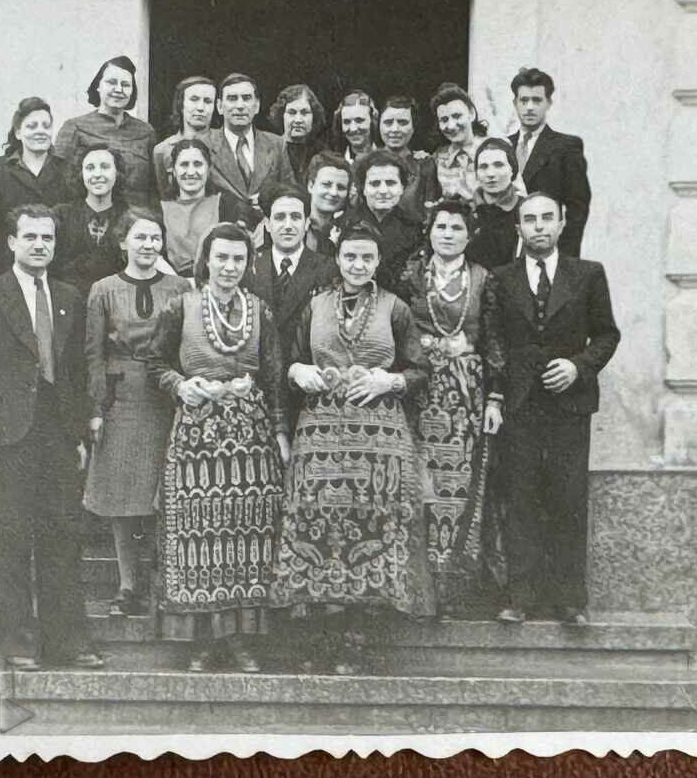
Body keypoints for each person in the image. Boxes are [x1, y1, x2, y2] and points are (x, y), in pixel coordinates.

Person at [270, 224, 436, 674]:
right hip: (319, 434)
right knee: (318, 522)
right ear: (337, 260)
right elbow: (290, 359)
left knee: (371, 523)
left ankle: (357, 637)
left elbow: (420, 368)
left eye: (366, 258)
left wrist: (392, 379)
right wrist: (298, 371)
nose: (358, 266)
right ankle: (321, 633)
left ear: (377, 262)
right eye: (350, 258)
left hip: (377, 436)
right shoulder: (314, 305)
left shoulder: (396, 308)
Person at [0, 204, 103, 671]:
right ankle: (18, 642)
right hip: (8, 436)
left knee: (62, 536)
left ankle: (67, 642)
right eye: (31, 237)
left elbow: (74, 371)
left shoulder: (68, 297)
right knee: (11, 538)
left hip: (57, 435)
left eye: (48, 238)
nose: (40, 245)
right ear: (12, 243)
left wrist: (78, 433)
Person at [141, 223, 290, 673]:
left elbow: (275, 374)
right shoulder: (181, 305)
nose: (229, 267)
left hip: (250, 438)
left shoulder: (259, 310)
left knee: (249, 538)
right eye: (221, 258)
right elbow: (153, 362)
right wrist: (179, 384)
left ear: (249, 264)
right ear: (206, 260)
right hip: (197, 436)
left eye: (239, 259)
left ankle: (242, 641)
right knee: (196, 536)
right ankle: (201, 642)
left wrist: (281, 433)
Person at [483, 192, 620, 626]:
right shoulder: (501, 279)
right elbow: (494, 342)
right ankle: (519, 595)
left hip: (569, 402)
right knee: (519, 494)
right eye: (529, 220)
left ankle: (569, 598)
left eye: (547, 218)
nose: (538, 226)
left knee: (568, 496)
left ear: (562, 223)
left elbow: (607, 335)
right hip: (521, 402)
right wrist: (498, 396)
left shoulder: (588, 275)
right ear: (518, 229)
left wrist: (578, 367)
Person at [396, 200, 504, 614]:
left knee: (460, 491)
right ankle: (421, 591)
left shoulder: (483, 279)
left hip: (466, 396)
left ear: (469, 235)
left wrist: (494, 395)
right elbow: (400, 327)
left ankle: (457, 590)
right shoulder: (411, 274)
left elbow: (495, 340)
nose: (447, 234)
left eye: (456, 228)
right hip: (422, 394)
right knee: (422, 486)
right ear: (429, 231)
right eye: (440, 226)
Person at [84, 214, 191, 616]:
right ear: (123, 243)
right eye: (140, 237)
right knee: (122, 494)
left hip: (166, 397)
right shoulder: (104, 290)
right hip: (122, 399)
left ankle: (164, 581)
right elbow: (93, 354)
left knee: (164, 493)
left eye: (155, 237)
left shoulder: (180, 288)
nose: (148, 244)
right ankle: (129, 585)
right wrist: (94, 409)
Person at [0, 97, 73, 280]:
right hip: (7, 272)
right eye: (32, 126)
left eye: (46, 126)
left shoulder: (67, 169)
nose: (40, 131)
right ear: (18, 132)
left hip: (55, 274)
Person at [245, 182, 337, 360]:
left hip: (307, 369)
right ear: (267, 224)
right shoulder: (250, 267)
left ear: (306, 223)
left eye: (295, 217)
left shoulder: (328, 269)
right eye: (280, 217)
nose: (288, 225)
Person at [54, 55, 158, 212]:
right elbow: (59, 182)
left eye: (125, 85)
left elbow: (153, 187)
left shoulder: (146, 132)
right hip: (90, 219)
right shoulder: (74, 127)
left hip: (136, 220)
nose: (118, 89)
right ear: (98, 86)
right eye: (111, 82)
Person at [508, 67, 591, 257]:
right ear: (515, 103)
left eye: (537, 100)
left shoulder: (566, 147)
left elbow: (577, 209)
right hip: (505, 255)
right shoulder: (503, 146)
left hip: (544, 250)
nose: (529, 107)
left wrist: (564, 260)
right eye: (524, 100)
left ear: (548, 103)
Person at [203, 73, 295, 229]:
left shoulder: (276, 144)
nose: (240, 105)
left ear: (257, 105)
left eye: (246, 98)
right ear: (219, 106)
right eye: (232, 99)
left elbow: (290, 192)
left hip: (266, 236)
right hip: (221, 236)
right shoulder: (203, 145)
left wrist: (268, 203)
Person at [159, 138, 247, 277]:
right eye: (184, 165)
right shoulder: (160, 208)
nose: (191, 172)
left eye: (198, 164)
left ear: (208, 168)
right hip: (172, 282)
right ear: (174, 171)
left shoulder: (226, 204)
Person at [50, 143, 129, 296]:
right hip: (68, 303)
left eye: (105, 167)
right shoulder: (61, 215)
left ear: (117, 172)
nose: (97, 174)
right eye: (90, 168)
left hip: (116, 302)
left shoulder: (129, 217)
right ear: (81, 174)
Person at [347, 148, 424, 295]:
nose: (383, 191)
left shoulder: (414, 228)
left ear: (402, 187)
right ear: (363, 188)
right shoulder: (345, 224)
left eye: (390, 183)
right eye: (375, 183)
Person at [153, 76, 217, 200]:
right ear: (181, 104)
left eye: (208, 101)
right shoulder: (162, 150)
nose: (200, 108)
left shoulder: (225, 144)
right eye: (194, 99)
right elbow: (164, 197)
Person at [427, 82, 489, 202]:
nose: (451, 126)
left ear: (471, 114)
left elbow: (518, 196)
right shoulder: (438, 158)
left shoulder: (494, 150)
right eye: (444, 120)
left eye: (457, 116)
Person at [469, 137, 524, 269]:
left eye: (498, 165)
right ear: (476, 174)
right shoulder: (466, 209)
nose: (490, 174)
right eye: (483, 167)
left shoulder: (525, 210)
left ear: (512, 170)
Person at [379, 94, 435, 223]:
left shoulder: (424, 165)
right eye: (388, 123)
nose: (395, 129)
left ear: (413, 127)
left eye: (402, 123)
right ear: (379, 125)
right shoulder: (368, 163)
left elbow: (428, 214)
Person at [269, 84, 328, 187]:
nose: (298, 120)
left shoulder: (323, 152)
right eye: (292, 112)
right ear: (282, 115)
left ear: (314, 116)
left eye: (304, 113)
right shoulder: (270, 148)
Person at [302, 151, 352, 256]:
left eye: (341, 187)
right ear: (311, 186)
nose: (334, 193)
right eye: (326, 184)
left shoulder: (349, 231)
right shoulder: (295, 225)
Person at [331, 89, 379, 166]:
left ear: (372, 121)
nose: (353, 129)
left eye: (359, 120)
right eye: (346, 122)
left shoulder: (387, 159)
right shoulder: (335, 163)